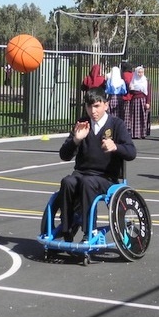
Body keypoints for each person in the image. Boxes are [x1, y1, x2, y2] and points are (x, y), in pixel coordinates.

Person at [56, 90, 136, 241]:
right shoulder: (82, 124)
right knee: (67, 182)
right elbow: (64, 155)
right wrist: (76, 140)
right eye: (89, 107)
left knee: (87, 183)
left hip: (106, 177)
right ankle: (66, 229)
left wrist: (116, 147)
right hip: (81, 173)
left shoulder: (116, 124)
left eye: (97, 106)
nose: (93, 111)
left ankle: (89, 231)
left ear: (106, 105)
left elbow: (131, 152)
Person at [126, 66, 150, 139]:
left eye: (142, 72)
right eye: (139, 72)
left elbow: (148, 92)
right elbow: (131, 91)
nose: (140, 74)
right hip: (135, 100)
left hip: (143, 100)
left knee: (143, 116)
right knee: (134, 117)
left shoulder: (145, 81)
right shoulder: (133, 81)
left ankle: (143, 133)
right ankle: (135, 134)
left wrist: (148, 102)